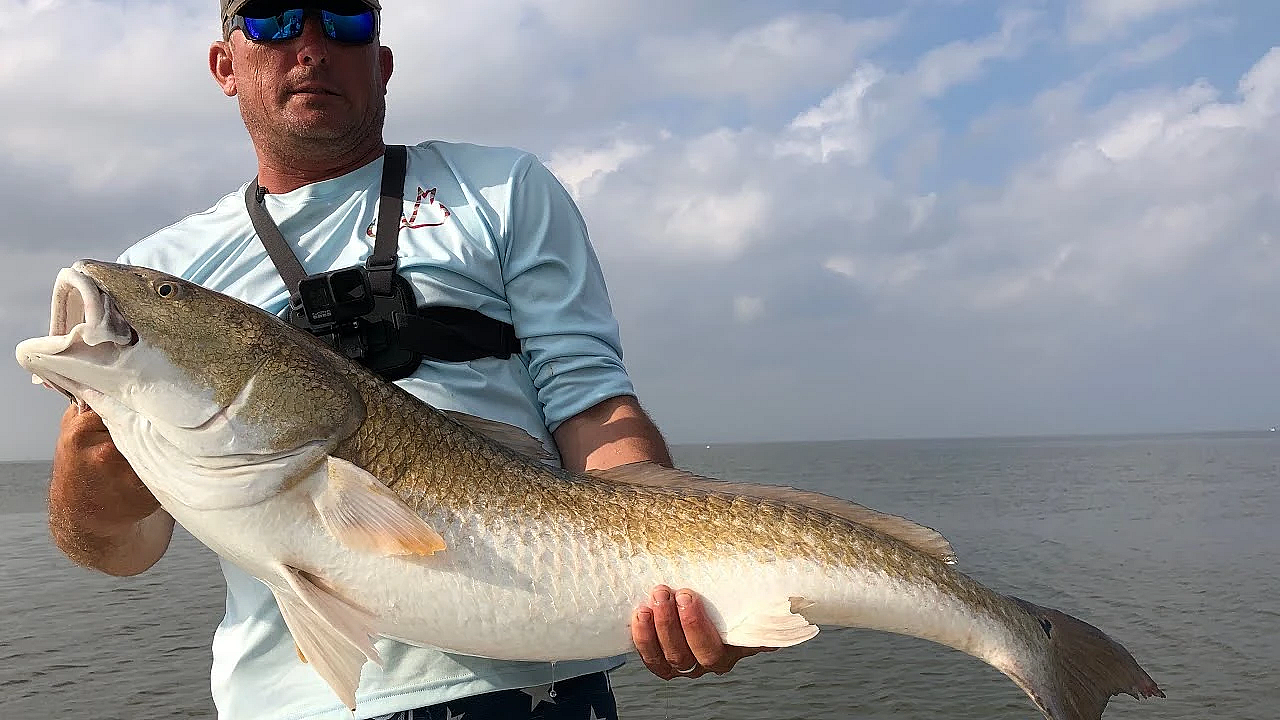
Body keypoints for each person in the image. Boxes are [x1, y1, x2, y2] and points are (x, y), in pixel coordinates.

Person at [46, 2, 766, 719]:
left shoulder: (501, 189)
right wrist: (89, 464)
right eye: (273, 19)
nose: (311, 46)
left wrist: (681, 570)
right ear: (224, 64)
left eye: (344, 21)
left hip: (532, 687)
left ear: (382, 64)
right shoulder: (161, 275)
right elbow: (121, 551)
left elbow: (590, 402)